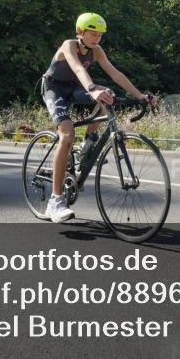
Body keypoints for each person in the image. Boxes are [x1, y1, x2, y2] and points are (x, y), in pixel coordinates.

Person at [40, 12, 153, 223]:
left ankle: (88, 143)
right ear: (80, 32)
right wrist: (91, 88)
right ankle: (55, 202)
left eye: (100, 35)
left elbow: (115, 74)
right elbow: (75, 66)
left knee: (107, 94)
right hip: (53, 88)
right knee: (66, 136)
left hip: (74, 87)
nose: (97, 38)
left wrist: (140, 95)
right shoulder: (69, 45)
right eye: (93, 34)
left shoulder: (97, 51)